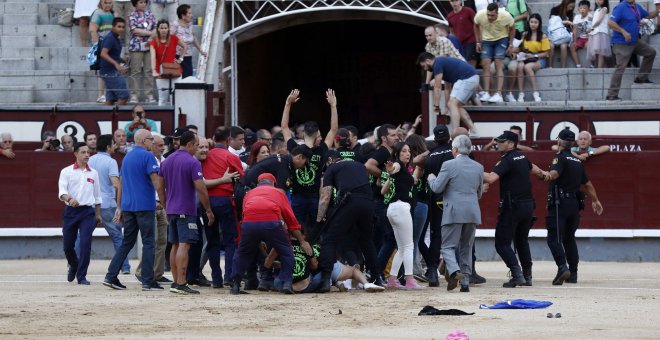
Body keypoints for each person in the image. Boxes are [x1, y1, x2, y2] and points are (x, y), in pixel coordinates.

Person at [103, 129, 165, 291]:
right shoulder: (148, 156)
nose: (152, 142)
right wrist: (164, 202)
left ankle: (110, 276)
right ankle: (147, 281)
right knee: (149, 242)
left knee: (127, 242)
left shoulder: (128, 157)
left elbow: (121, 184)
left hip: (129, 206)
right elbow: (156, 182)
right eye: (151, 139)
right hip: (144, 205)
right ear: (144, 141)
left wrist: (119, 206)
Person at [230, 173, 312, 295]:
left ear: (258, 184)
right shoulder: (279, 192)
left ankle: (235, 285)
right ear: (274, 184)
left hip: (249, 224)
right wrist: (302, 241)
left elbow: (245, 215)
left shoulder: (249, 194)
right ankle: (287, 283)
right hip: (271, 222)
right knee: (286, 251)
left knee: (242, 252)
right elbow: (291, 220)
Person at [540, 128, 604, 285]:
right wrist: (596, 200)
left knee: (554, 238)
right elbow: (588, 184)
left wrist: (545, 175)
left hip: (559, 204)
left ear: (559, 142)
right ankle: (573, 274)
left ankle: (562, 267)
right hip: (574, 205)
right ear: (572, 143)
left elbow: (554, 173)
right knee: (569, 239)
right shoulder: (577, 161)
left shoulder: (560, 158)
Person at [483, 131, 545, 287]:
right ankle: (527, 276)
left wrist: (470, 168)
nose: (497, 143)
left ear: (511, 144)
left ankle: (517, 274)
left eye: (501, 141)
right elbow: (533, 168)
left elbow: (491, 178)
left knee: (501, 243)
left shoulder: (507, 160)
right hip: (528, 205)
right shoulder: (522, 157)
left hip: (513, 207)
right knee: (521, 241)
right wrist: (543, 174)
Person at [316, 156, 384, 292]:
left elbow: (325, 197)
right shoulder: (359, 165)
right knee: (366, 241)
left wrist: (319, 220)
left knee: (330, 239)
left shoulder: (332, 167)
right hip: (368, 203)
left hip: (350, 200)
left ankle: (325, 279)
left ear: (330, 160)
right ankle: (377, 277)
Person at [160, 131, 214, 295]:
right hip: (186, 209)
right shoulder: (192, 162)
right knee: (184, 244)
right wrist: (208, 209)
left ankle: (176, 282)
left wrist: (165, 205)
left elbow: (159, 187)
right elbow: (201, 187)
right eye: (197, 145)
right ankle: (181, 282)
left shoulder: (167, 160)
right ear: (190, 144)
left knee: (175, 244)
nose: (197, 149)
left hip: (172, 209)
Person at [427, 135, 483, 292]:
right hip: (472, 211)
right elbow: (479, 194)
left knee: (447, 247)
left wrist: (431, 178)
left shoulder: (448, 165)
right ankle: (465, 282)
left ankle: (454, 270)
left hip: (453, 211)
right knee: (467, 246)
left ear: (456, 149)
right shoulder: (478, 167)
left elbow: (437, 188)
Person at [281, 89, 338, 233]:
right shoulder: (322, 150)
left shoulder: (294, 149)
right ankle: (313, 254)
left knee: (294, 231)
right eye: (320, 135)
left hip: (297, 198)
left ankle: (298, 254)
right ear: (318, 134)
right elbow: (333, 129)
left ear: (303, 133)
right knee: (315, 232)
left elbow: (284, 127)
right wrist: (333, 106)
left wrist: (288, 104)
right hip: (314, 199)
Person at [202, 129, 244, 287]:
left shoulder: (204, 156)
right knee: (230, 240)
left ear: (213, 138)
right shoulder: (231, 157)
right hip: (225, 200)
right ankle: (229, 275)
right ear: (228, 140)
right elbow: (241, 177)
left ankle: (216, 279)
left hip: (206, 200)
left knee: (212, 241)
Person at [381, 142, 424, 289]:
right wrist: (391, 170)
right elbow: (395, 169)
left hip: (392, 209)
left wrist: (391, 175)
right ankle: (409, 279)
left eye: (409, 151)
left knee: (401, 247)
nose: (407, 153)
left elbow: (383, 191)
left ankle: (392, 278)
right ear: (398, 154)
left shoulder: (403, 172)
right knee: (409, 245)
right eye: (404, 151)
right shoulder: (398, 166)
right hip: (401, 208)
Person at [58, 142, 102, 285]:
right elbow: (62, 192)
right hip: (71, 211)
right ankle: (74, 264)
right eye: (83, 152)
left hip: (87, 212)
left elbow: (97, 196)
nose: (87, 155)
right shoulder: (66, 171)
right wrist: (70, 199)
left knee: (85, 244)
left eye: (88, 152)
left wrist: (98, 214)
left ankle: (82, 276)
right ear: (76, 154)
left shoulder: (93, 173)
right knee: (67, 246)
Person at [89, 134, 131, 275]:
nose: (115, 146)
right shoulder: (110, 162)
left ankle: (74, 266)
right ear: (108, 147)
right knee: (118, 237)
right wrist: (120, 206)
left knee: (83, 236)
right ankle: (124, 267)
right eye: (113, 144)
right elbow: (116, 184)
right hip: (107, 204)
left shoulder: (90, 160)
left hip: (90, 204)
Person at [419, 124, 454, 287]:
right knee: (459, 234)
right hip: (455, 197)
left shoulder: (431, 156)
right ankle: (460, 272)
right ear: (449, 137)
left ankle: (432, 270)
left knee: (436, 236)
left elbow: (420, 165)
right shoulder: (455, 152)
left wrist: (431, 150)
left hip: (436, 198)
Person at [134, 134, 171, 284]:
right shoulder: (147, 159)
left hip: (162, 205)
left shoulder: (166, 161)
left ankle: (157, 273)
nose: (162, 148)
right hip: (152, 204)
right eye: (159, 145)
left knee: (162, 241)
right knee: (152, 241)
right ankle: (142, 271)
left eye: (163, 145)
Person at [606, 0, 658, 101]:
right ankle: (611, 95)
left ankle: (641, 78)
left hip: (634, 41)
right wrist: (624, 32)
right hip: (622, 42)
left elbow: (648, 15)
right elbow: (610, 22)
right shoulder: (620, 7)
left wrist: (658, 10)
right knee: (620, 67)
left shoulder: (637, 7)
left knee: (651, 52)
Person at [416, 53, 479, 136]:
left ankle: (456, 133)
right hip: (473, 78)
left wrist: (436, 105)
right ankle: (474, 131)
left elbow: (437, 87)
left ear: (428, 61)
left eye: (424, 66)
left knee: (452, 104)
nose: (425, 69)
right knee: (456, 105)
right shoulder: (442, 63)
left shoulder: (437, 64)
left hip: (466, 79)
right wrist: (446, 105)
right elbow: (447, 88)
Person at [474, 2, 516, 103]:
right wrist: (478, 42)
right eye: (488, 14)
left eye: (492, 15)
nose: (490, 17)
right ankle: (487, 93)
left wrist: (510, 45)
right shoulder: (480, 14)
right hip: (486, 40)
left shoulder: (506, 16)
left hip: (501, 39)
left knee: (498, 64)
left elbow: (512, 28)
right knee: (485, 64)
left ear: (497, 13)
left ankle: (499, 94)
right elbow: (475, 25)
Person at [514, 13, 551, 102]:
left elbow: (546, 53)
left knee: (527, 67)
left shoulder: (543, 36)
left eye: (535, 22)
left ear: (539, 24)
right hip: (526, 56)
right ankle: (521, 93)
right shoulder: (525, 34)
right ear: (529, 23)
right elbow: (521, 48)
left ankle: (535, 93)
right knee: (520, 66)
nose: (533, 24)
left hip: (539, 58)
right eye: (531, 22)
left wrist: (534, 55)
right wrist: (517, 50)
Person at [150, 19, 187, 106]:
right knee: (162, 99)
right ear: (158, 29)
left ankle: (176, 118)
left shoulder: (174, 38)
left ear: (168, 29)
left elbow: (185, 46)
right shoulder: (154, 42)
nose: (163, 30)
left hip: (175, 72)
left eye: (165, 28)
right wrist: (154, 70)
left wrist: (180, 59)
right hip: (161, 73)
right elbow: (153, 57)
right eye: (161, 28)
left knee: (175, 99)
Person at [128, 0, 156, 104]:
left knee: (148, 71)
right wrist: (149, 33)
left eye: (144, 2)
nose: (143, 4)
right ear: (135, 3)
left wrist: (149, 35)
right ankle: (134, 95)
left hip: (149, 46)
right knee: (135, 71)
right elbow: (134, 30)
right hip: (136, 46)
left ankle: (149, 95)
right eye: (140, 2)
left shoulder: (151, 14)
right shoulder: (131, 15)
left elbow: (155, 29)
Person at [170, 4, 208, 78]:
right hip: (177, 56)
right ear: (183, 16)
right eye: (189, 13)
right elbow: (169, 39)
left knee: (188, 76)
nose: (191, 15)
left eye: (191, 13)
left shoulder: (190, 24)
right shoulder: (175, 25)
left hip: (188, 56)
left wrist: (201, 51)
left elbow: (193, 38)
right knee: (177, 77)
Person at [99, 17, 130, 105]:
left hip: (108, 72)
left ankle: (106, 117)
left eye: (123, 27)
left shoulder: (115, 38)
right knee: (124, 97)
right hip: (110, 72)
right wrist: (116, 64)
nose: (121, 29)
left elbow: (112, 55)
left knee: (110, 100)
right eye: (119, 27)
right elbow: (103, 53)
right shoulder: (110, 38)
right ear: (113, 26)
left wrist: (122, 60)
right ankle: (116, 117)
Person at [90, 0, 115, 103]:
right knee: (103, 70)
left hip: (111, 44)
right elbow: (92, 29)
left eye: (110, 2)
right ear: (101, 3)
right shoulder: (97, 13)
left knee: (111, 70)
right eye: (106, 2)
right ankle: (100, 95)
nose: (108, 5)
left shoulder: (111, 14)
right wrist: (97, 45)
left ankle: (110, 94)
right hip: (102, 44)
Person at [447, 0, 478, 66]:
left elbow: (477, 25)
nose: (454, 3)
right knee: (462, 64)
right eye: (452, 1)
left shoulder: (468, 11)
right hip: (459, 44)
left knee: (471, 64)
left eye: (456, 0)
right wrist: (453, 44)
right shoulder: (449, 16)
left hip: (471, 41)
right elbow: (451, 31)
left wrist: (479, 41)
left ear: (460, 1)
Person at [549, 0, 577, 68]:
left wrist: (574, 40)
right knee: (551, 46)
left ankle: (563, 67)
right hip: (554, 35)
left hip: (564, 36)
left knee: (563, 46)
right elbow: (552, 22)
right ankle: (550, 66)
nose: (571, 9)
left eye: (572, 7)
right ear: (565, 3)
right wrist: (566, 22)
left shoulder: (571, 14)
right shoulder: (555, 10)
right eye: (570, 6)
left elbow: (573, 28)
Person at [586, 0, 611, 68]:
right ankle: (597, 66)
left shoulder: (604, 9)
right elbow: (595, 21)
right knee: (596, 51)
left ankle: (600, 68)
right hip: (595, 32)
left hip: (601, 32)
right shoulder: (597, 10)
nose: (598, 1)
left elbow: (599, 21)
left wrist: (591, 29)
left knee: (601, 52)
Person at [571, 0, 593, 68]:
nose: (582, 10)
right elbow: (575, 29)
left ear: (588, 9)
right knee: (572, 47)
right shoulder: (577, 17)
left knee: (588, 46)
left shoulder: (590, 17)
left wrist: (589, 39)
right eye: (581, 8)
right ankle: (578, 65)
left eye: (584, 8)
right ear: (578, 9)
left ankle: (591, 64)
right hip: (580, 38)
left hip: (589, 37)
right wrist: (574, 41)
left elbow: (592, 29)